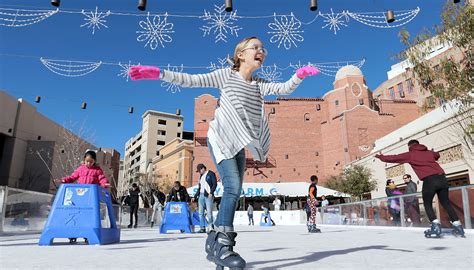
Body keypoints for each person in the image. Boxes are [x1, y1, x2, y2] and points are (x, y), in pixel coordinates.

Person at [130, 36, 319, 269]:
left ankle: (214, 241)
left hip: (239, 143)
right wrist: (159, 73)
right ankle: (223, 244)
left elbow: (283, 88)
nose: (262, 51)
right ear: (240, 54)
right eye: (255, 47)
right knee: (231, 186)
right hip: (220, 138)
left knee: (236, 189)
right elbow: (191, 80)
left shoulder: (258, 84)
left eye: (263, 49)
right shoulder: (226, 75)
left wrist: (298, 76)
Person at [376, 140, 465, 238]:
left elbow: (395, 158)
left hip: (430, 180)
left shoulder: (411, 154)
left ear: (410, 146)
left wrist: (381, 157)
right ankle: (458, 226)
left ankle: (435, 226)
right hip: (442, 178)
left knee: (427, 204)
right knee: (446, 203)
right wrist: (433, 153)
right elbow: (437, 155)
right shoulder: (428, 152)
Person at [60, 150, 109, 244]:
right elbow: (72, 177)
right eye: (87, 161)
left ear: (94, 161)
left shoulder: (97, 170)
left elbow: (102, 178)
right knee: (77, 215)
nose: (89, 163)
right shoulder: (80, 169)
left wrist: (104, 184)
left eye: (91, 161)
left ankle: (88, 234)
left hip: (90, 197)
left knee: (88, 216)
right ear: (84, 160)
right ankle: (73, 234)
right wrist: (65, 180)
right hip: (79, 196)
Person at [192, 163, 217, 233]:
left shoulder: (211, 174)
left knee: (209, 212)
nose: (199, 172)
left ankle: (210, 227)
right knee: (200, 213)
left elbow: (215, 184)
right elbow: (199, 188)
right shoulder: (201, 176)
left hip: (208, 195)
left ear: (203, 168)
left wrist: (211, 192)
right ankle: (202, 227)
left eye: (199, 170)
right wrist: (195, 196)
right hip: (201, 196)